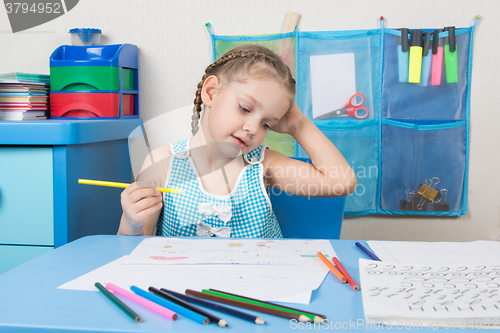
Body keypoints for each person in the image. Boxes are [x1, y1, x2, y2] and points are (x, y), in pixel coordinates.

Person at [118, 44, 356, 237]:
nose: (253, 128)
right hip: (184, 293)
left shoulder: (263, 165)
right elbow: (135, 252)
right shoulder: (162, 163)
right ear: (211, 92)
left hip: (257, 290)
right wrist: (132, 223)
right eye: (244, 108)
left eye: (266, 124)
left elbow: (342, 182)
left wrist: (298, 124)